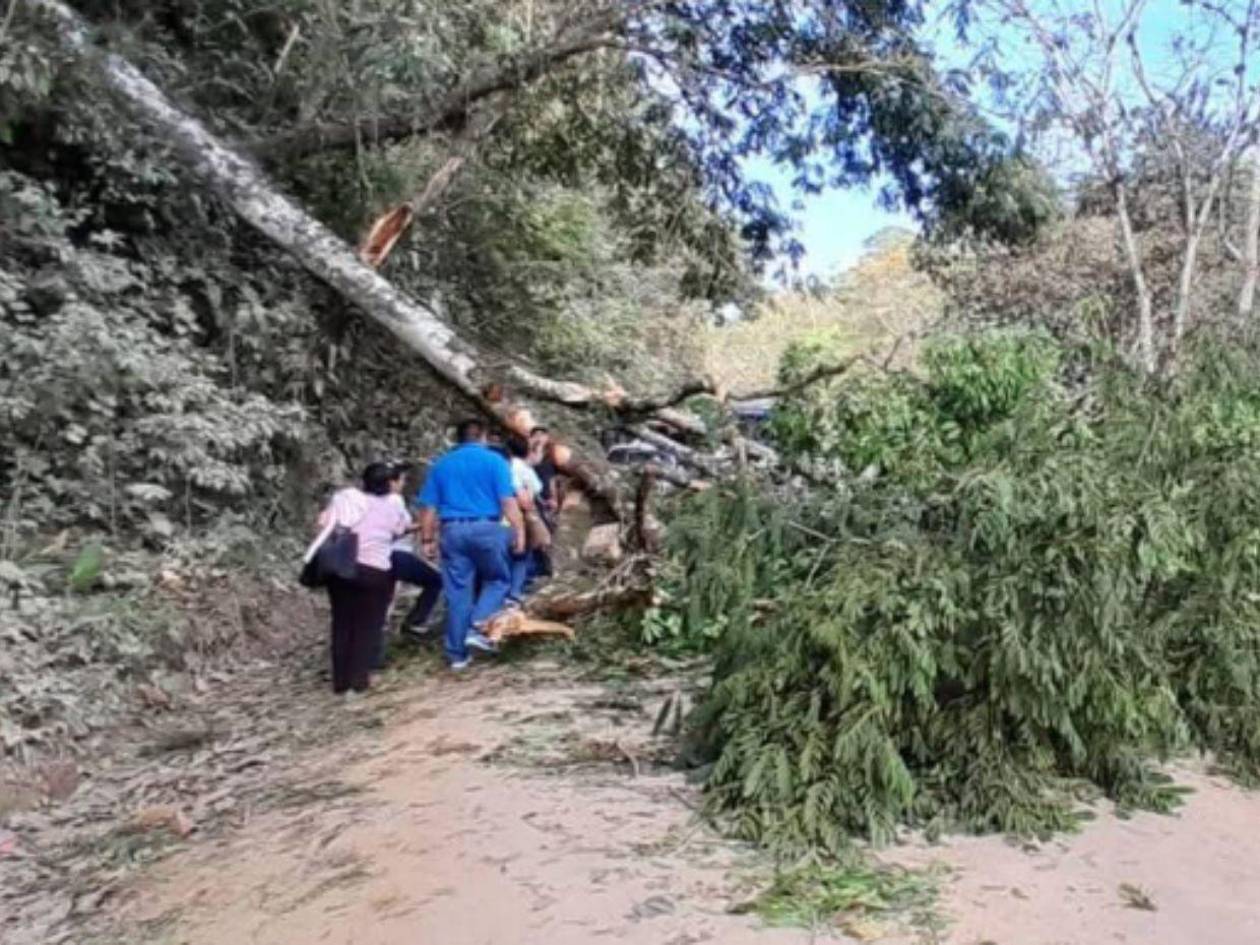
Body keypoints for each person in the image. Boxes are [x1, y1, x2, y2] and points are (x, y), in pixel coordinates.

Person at [416, 420, 525, 670]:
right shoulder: (494, 461)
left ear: (459, 438)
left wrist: (427, 539)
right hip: (487, 528)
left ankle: (457, 656)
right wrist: (519, 531)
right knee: (497, 580)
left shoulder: (441, 465)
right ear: (484, 437)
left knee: (457, 593)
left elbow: (428, 507)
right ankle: (477, 626)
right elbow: (507, 501)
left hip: (452, 531)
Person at [309, 462, 412, 696]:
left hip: (340, 568)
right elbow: (400, 530)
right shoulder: (393, 506)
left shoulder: (345, 500)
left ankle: (340, 682)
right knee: (368, 626)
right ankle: (359, 681)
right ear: (389, 484)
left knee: (342, 623)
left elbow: (323, 523)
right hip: (374, 570)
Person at [505, 435, 545, 607]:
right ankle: (514, 591)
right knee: (522, 554)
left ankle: (511, 588)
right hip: (521, 515)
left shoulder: (505, 466)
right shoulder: (522, 468)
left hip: (502, 516)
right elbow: (533, 490)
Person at [528, 427, 561, 577]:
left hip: (546, 498)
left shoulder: (549, 457)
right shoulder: (527, 456)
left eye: (543, 435)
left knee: (549, 532)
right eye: (536, 435)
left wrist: (554, 497)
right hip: (531, 499)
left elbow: (551, 479)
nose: (539, 438)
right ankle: (534, 568)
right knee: (536, 534)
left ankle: (546, 568)